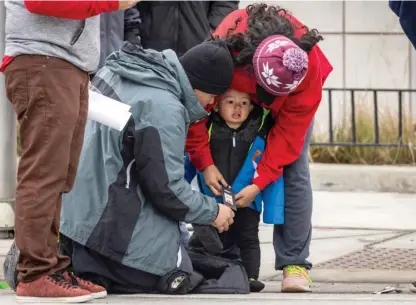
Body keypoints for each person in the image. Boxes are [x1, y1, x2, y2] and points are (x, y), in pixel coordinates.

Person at [57, 39, 236, 294]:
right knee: (179, 272)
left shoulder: (123, 70)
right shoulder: (165, 107)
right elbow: (167, 190)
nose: (211, 104)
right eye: (213, 95)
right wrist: (213, 212)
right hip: (102, 226)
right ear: (199, 86)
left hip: (71, 215)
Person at [185, 3, 333, 293]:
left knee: (295, 168)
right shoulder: (227, 44)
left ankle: (295, 263)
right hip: (235, 96)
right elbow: (197, 105)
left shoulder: (307, 68)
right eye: (266, 92)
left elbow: (288, 140)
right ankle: (209, 246)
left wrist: (261, 181)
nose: (268, 101)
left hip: (291, 105)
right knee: (216, 155)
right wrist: (204, 161)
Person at [1, 0, 139, 302]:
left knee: (59, 176)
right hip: (43, 61)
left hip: (63, 65)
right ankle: (35, 271)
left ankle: (50, 267)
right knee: (44, 174)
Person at [189, 85, 289, 292]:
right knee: (206, 240)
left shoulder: (258, 134)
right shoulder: (207, 131)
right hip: (214, 202)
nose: (237, 108)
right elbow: (190, 159)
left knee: (249, 239)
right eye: (230, 102)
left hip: (247, 200)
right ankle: (209, 272)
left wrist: (272, 209)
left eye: (244, 103)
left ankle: (251, 276)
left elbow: (272, 173)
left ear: (252, 107)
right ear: (216, 107)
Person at [136, 1, 239, 57]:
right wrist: (135, 39)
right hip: (150, 48)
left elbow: (225, 4)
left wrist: (213, 31)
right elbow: (130, 8)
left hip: (199, 46)